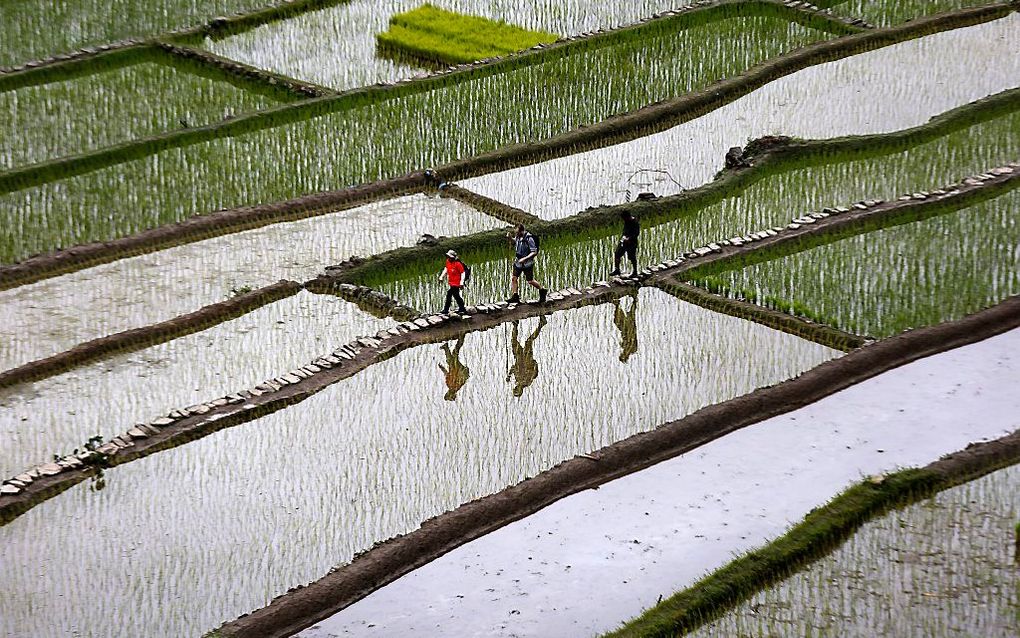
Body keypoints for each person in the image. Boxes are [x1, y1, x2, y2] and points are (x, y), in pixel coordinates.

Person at [506, 316, 547, 397]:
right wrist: (532, 363)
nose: (516, 388)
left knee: (513, 341)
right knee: (528, 341)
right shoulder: (527, 382)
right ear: (521, 391)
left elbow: (514, 368)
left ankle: (515, 324)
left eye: (515, 389)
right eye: (517, 390)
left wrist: (509, 375)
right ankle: (541, 324)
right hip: (527, 359)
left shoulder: (517, 380)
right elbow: (534, 371)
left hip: (518, 358)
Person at [506, 224, 547, 304]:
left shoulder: (529, 238)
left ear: (521, 231)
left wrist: (525, 258)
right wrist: (510, 238)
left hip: (527, 263)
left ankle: (542, 290)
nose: (516, 234)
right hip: (518, 261)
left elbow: (534, 252)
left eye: (517, 232)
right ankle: (515, 296)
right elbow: (515, 242)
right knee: (514, 278)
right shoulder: (518, 237)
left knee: (530, 281)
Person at [438, 335, 470, 401]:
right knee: (454, 354)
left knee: (451, 358)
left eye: (448, 394)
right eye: (450, 395)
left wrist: (442, 368)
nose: (449, 393)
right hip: (458, 369)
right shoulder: (455, 387)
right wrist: (463, 370)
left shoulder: (449, 385)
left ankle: (446, 347)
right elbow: (464, 378)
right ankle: (461, 337)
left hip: (454, 368)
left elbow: (446, 374)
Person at [437, 249, 469, 314]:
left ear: (453, 257)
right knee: (456, 295)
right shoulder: (448, 261)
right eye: (448, 256)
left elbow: (463, 273)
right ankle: (462, 308)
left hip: (457, 283)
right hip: (451, 282)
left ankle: (446, 310)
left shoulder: (458, 264)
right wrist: (441, 277)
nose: (449, 258)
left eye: (450, 257)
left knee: (450, 294)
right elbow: (446, 268)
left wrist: (461, 283)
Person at [610, 210, 640, 277]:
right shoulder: (626, 221)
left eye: (625, 218)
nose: (624, 220)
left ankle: (635, 272)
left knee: (632, 257)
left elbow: (636, 233)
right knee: (617, 254)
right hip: (624, 241)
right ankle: (617, 270)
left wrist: (629, 238)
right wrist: (623, 237)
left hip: (632, 243)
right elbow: (625, 230)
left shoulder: (635, 222)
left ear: (628, 217)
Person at [613, 292, 639, 363]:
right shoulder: (633, 349)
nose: (621, 353)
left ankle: (616, 304)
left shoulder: (624, 347)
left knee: (617, 321)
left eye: (621, 354)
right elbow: (632, 339)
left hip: (624, 331)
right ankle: (634, 298)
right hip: (630, 329)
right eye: (622, 355)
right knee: (630, 315)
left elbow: (625, 339)